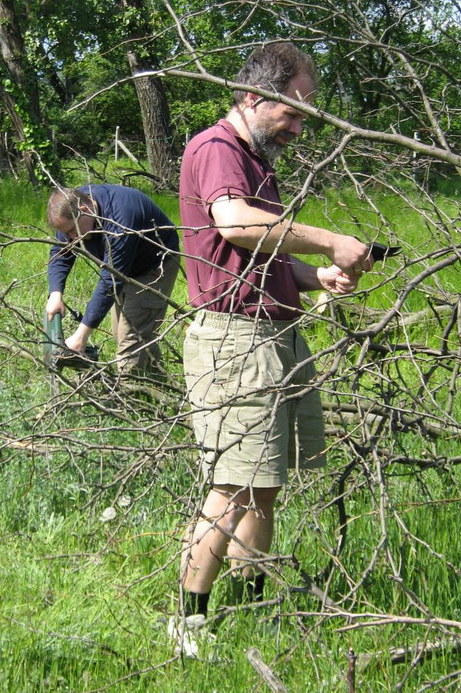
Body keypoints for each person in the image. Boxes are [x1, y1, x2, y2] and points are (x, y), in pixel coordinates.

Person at [172, 42, 373, 655]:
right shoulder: (217, 148)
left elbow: (262, 255)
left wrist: (316, 276)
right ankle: (188, 625)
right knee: (233, 486)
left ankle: (251, 602)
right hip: (237, 341)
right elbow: (234, 224)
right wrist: (330, 240)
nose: (298, 128)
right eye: (292, 113)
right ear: (255, 97)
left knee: (265, 484)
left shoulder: (257, 160)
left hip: (275, 335)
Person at [46, 183, 180, 374]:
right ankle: (155, 380)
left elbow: (110, 280)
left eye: (72, 231)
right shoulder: (68, 209)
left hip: (154, 266)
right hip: (124, 267)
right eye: (65, 233)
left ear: (85, 210)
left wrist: (80, 336)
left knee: (131, 342)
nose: (72, 238)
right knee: (122, 334)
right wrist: (55, 293)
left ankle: (130, 389)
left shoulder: (120, 218)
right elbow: (61, 252)